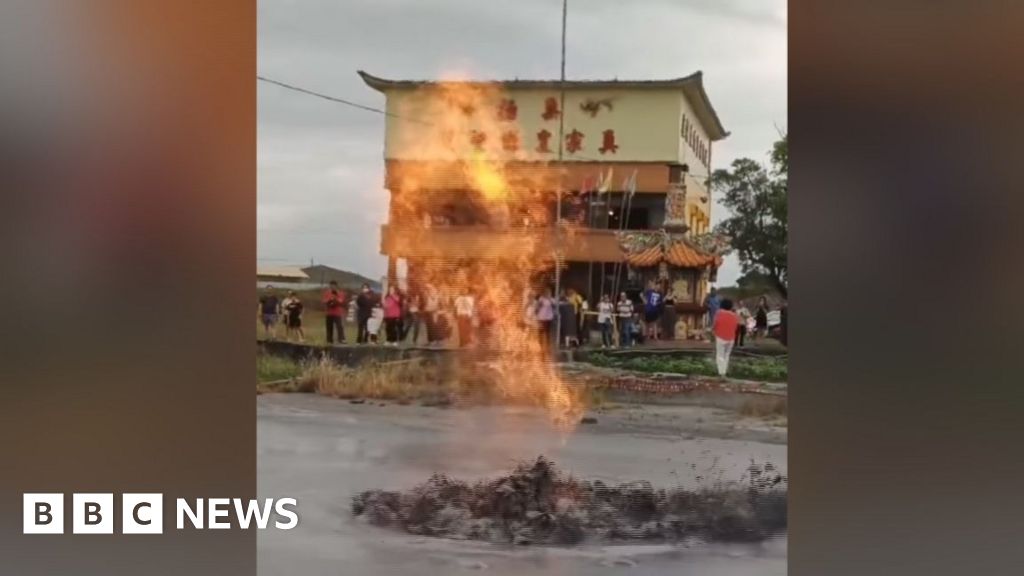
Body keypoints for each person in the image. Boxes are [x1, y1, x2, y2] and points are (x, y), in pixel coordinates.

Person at [712, 299, 740, 377]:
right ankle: (724, 371)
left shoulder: (719, 313)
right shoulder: (735, 315)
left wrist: (712, 330)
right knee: (726, 355)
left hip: (720, 337)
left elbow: (715, 324)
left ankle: (721, 373)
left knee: (720, 355)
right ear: (731, 306)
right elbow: (736, 327)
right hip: (731, 338)